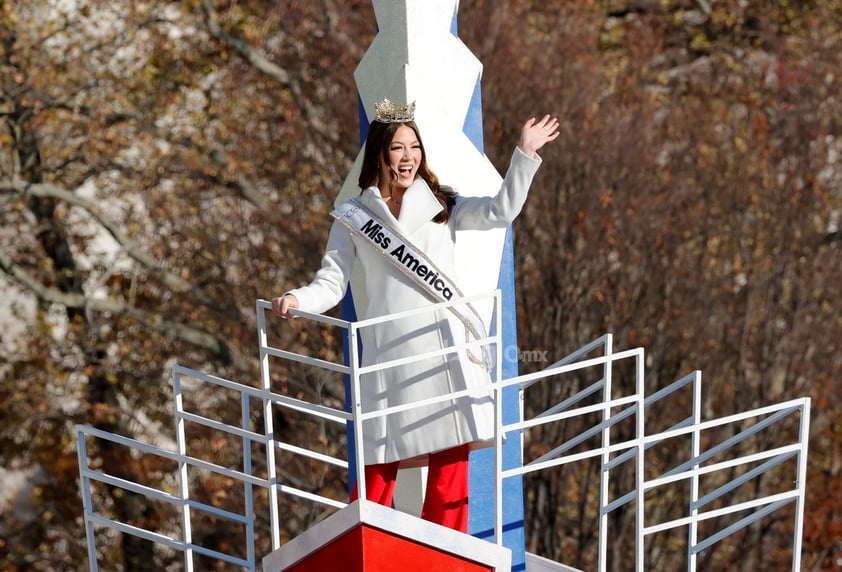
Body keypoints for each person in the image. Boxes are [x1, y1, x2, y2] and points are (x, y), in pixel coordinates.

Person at [272, 99, 558, 533]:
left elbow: (502, 210)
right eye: (398, 149)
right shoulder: (353, 217)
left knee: (450, 466)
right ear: (380, 155)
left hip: (443, 353)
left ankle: (446, 551)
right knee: (379, 467)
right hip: (390, 356)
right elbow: (331, 282)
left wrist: (525, 154)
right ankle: (362, 544)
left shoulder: (445, 205)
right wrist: (297, 299)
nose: (408, 158)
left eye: (414, 148)